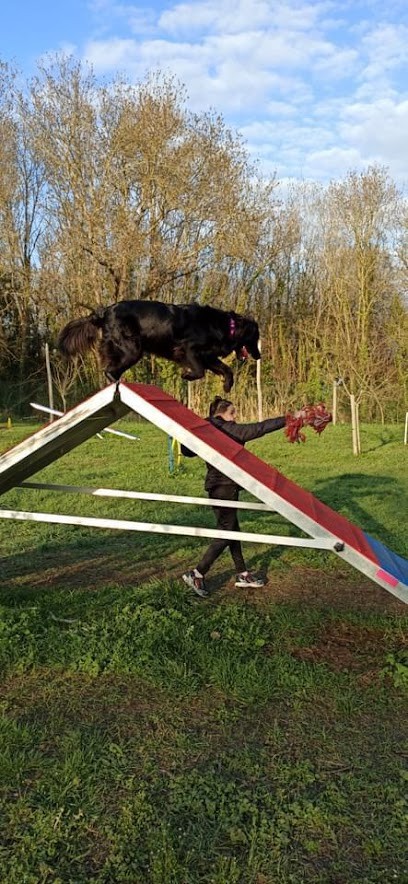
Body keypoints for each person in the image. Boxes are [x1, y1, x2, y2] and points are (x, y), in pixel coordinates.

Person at [181, 396, 288, 597]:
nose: (235, 417)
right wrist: (287, 419)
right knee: (227, 532)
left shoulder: (206, 430)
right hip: (223, 486)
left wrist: (186, 435)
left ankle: (242, 573)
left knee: (232, 530)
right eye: (233, 412)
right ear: (220, 414)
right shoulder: (224, 429)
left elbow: (186, 451)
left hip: (221, 486)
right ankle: (196, 573)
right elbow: (259, 428)